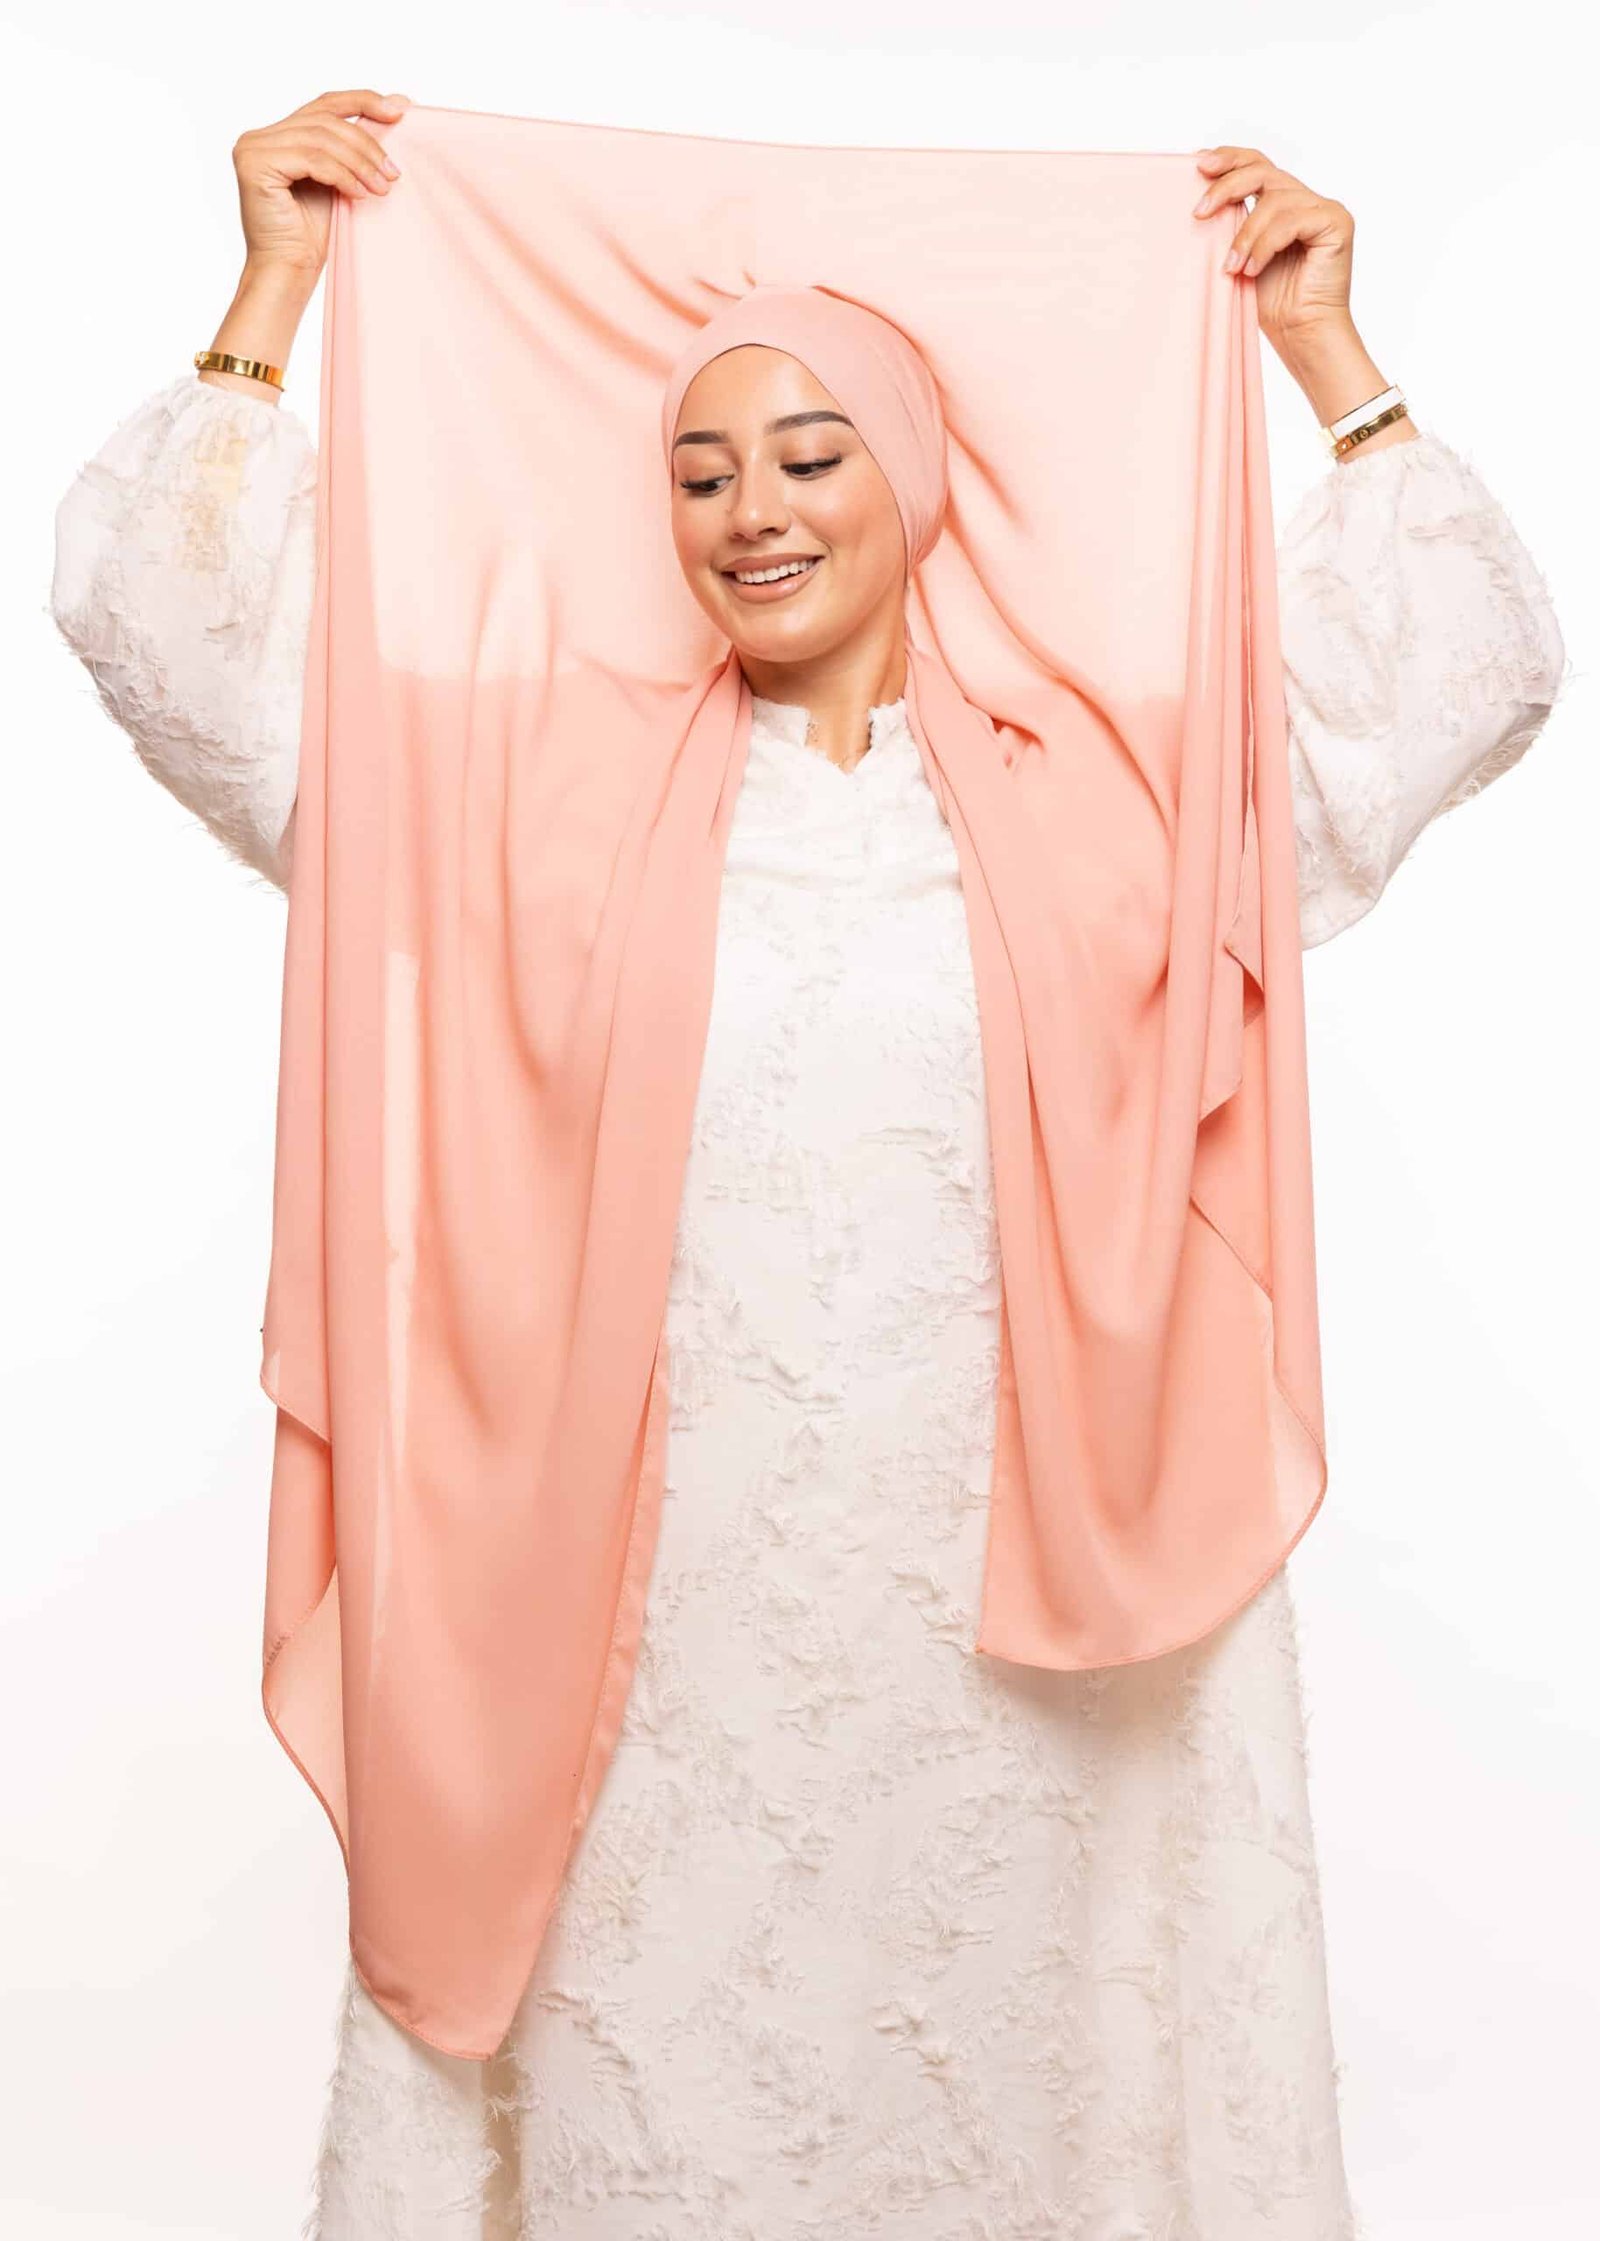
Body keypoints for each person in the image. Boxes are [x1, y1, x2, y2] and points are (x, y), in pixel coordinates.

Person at [51, 89, 1568, 2241]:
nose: (746, 511)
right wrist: (272, 288)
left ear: (913, 476)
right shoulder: (532, 792)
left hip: (1031, 1631)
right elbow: (186, 656)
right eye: (697, 472)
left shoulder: (1104, 794)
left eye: (804, 454)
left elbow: (1456, 683)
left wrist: (1325, 349)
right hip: (655, 1621)